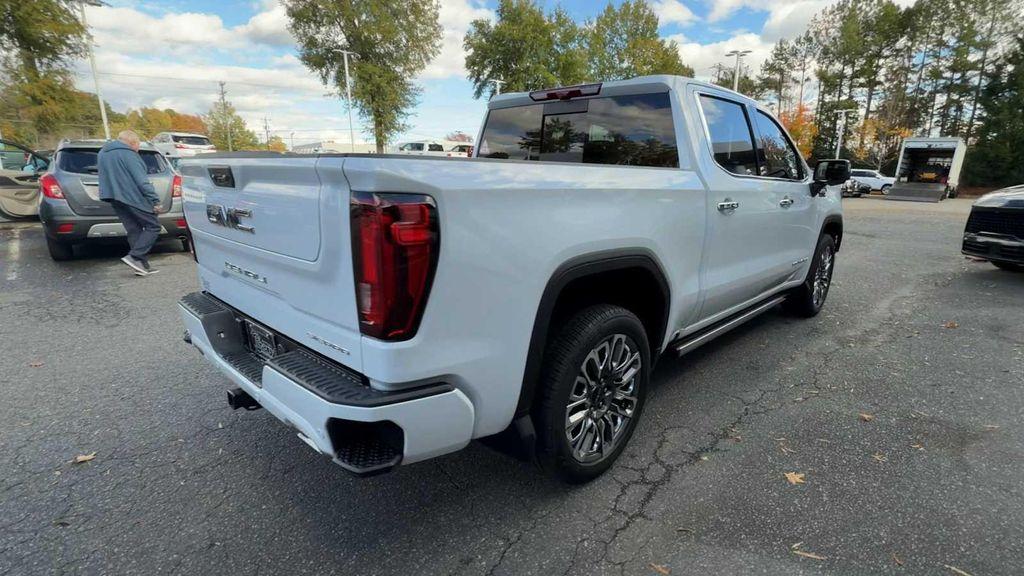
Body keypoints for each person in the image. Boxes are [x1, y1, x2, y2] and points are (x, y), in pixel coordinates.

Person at [97, 130, 165, 276]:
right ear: (133, 142)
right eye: (138, 145)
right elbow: (141, 181)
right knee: (153, 226)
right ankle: (135, 257)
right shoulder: (129, 154)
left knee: (134, 229)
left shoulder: (103, 153)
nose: (138, 149)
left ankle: (141, 266)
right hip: (132, 196)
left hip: (113, 197)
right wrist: (155, 200)